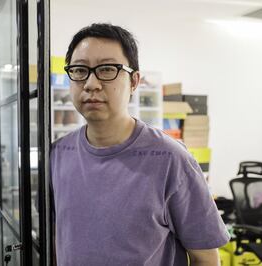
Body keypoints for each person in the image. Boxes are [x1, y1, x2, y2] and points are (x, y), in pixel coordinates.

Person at [50, 23, 230, 266]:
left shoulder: (171, 160)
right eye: (80, 70)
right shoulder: (58, 153)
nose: (91, 83)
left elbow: (206, 259)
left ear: (134, 81)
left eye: (106, 69)